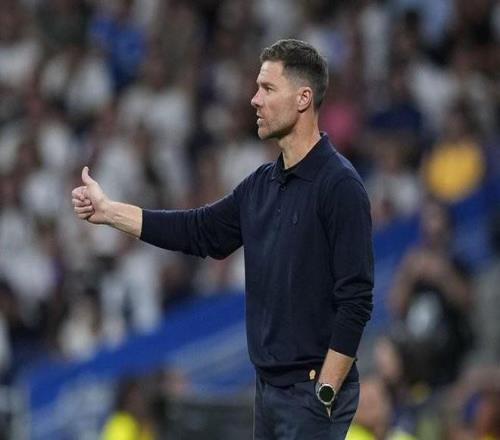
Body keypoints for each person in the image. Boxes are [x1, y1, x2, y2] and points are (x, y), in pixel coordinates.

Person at [72, 39, 374, 439]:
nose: (254, 100)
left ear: (303, 98)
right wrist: (109, 212)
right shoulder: (260, 186)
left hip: (313, 391)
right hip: (269, 390)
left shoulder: (339, 186)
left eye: (267, 88)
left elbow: (356, 298)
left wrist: (325, 392)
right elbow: (198, 231)